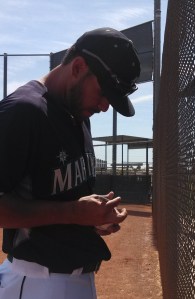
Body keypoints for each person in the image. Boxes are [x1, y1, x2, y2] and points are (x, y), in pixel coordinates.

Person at [0, 27, 141, 299]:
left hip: (76, 279)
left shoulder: (77, 112)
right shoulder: (23, 111)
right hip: (38, 283)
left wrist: (91, 219)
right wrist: (74, 213)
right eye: (103, 93)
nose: (104, 106)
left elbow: (59, 198)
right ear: (78, 67)